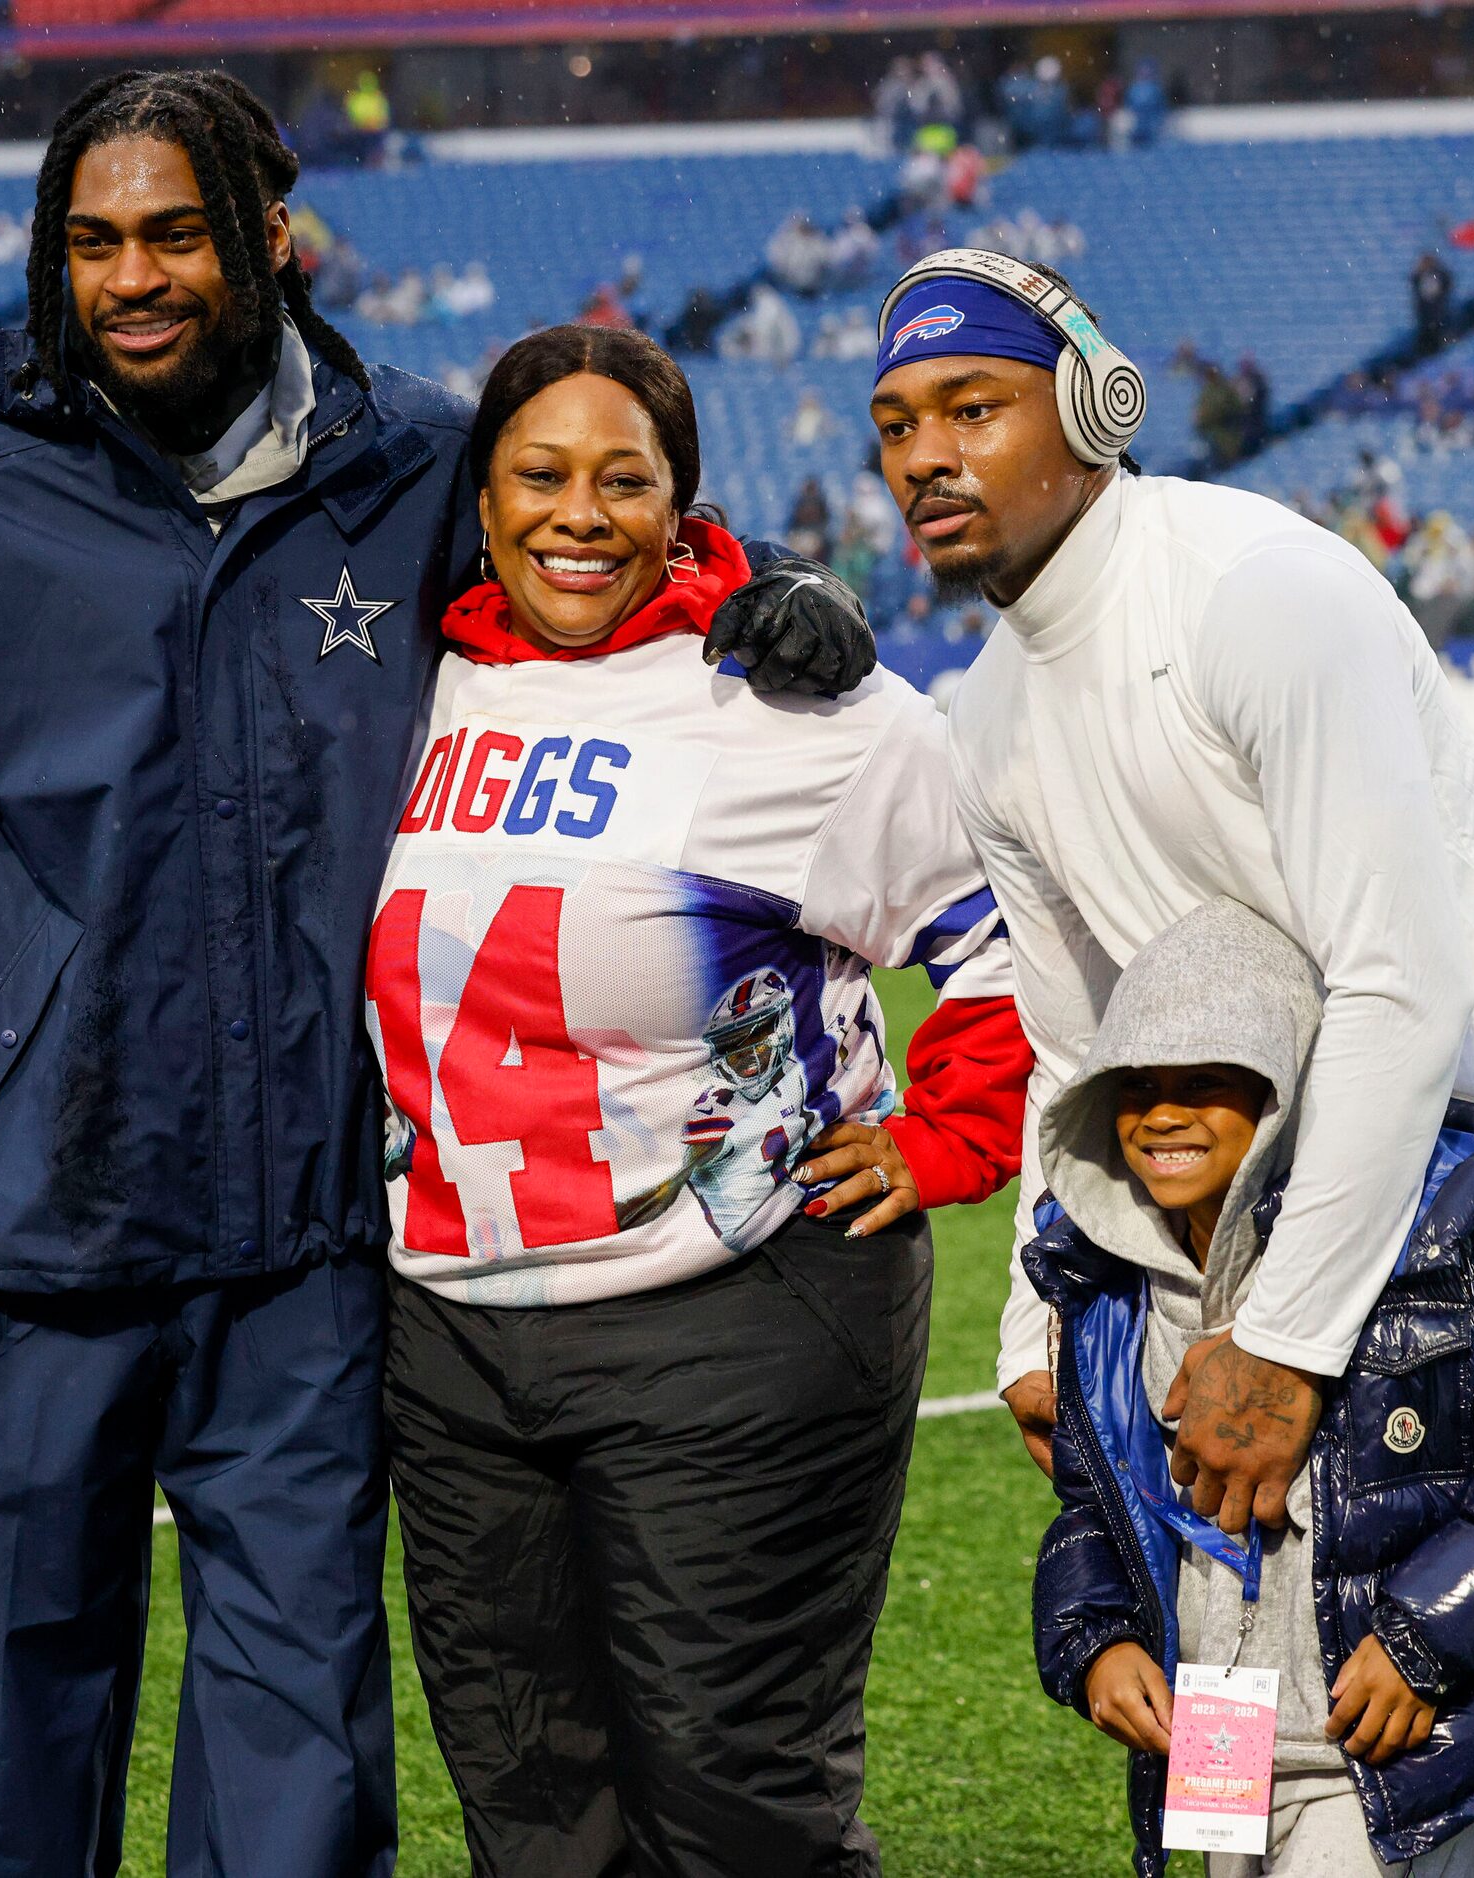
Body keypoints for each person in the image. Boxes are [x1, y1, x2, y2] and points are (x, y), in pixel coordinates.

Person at [0, 68, 876, 1878]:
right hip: (27, 1217)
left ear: (267, 241)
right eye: (92, 241)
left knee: (295, 1769)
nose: (131, 277)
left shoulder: (420, 463)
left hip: (308, 1244)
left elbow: (591, 549)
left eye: (174, 235)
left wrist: (757, 589)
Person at [867, 246, 1474, 1878]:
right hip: (1301, 1237)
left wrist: (1280, 1344)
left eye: (972, 407)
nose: (926, 452)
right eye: (894, 422)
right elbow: (1078, 1044)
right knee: (1392, 1775)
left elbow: (1396, 981)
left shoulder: (1252, 592)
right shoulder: (986, 713)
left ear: (1093, 407)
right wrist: (1041, 1312)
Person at [378, 324, 1029, 1878]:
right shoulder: (412, 687)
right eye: (540, 476)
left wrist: (945, 1137)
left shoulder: (803, 711)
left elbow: (1021, 946)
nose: (578, 514)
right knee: (530, 1811)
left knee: (735, 1805)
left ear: (687, 507)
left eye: (626, 480)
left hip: (734, 1307)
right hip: (452, 1336)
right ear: (480, 502)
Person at [1027, 901, 1474, 1878]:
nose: (1162, 1113)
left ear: (1291, 1094)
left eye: (1209, 1082)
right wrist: (1095, 1638)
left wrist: (1426, 1640)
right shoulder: (1111, 1291)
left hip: (1394, 1749)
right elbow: (1096, 1506)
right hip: (1225, 1749)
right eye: (1137, 1084)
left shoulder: (1441, 1248)